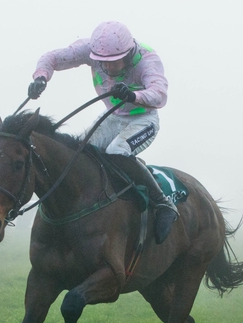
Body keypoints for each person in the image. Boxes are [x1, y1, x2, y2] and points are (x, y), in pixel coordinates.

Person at [27, 20, 178, 244]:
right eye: (102, 63)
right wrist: (41, 76)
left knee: (117, 151)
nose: (107, 68)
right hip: (113, 117)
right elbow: (52, 58)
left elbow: (160, 94)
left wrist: (133, 95)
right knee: (81, 152)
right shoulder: (90, 49)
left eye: (113, 63)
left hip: (143, 119)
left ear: (127, 55)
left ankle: (164, 203)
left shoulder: (147, 60)